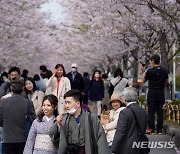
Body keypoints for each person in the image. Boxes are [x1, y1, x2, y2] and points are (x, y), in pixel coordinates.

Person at [49, 89, 111, 154]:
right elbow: (55, 141)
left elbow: (101, 141)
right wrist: (59, 125)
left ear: (78, 104)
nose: (66, 106)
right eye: (65, 102)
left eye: (69, 102)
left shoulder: (92, 118)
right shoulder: (63, 119)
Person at [0, 77, 36, 154]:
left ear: (11, 88)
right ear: (23, 88)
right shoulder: (28, 102)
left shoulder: (3, 102)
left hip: (7, 138)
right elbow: (34, 120)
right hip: (23, 138)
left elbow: (0, 120)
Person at [111, 87, 147, 154]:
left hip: (127, 147)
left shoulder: (125, 112)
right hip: (141, 146)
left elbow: (120, 132)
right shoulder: (143, 111)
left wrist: (113, 149)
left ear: (124, 98)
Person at [144, 54, 169, 135]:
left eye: (151, 60)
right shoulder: (164, 70)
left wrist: (144, 72)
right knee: (160, 111)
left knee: (151, 111)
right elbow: (166, 82)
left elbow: (144, 80)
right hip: (160, 93)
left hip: (152, 93)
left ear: (153, 61)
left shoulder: (150, 71)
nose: (151, 62)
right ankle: (159, 130)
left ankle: (151, 129)